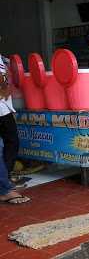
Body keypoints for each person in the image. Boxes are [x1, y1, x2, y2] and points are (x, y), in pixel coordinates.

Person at [0, 52, 29, 204]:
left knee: (11, 141)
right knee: (7, 143)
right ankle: (4, 188)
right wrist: (4, 87)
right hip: (1, 107)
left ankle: (5, 180)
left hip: (3, 108)